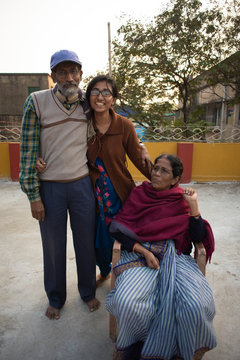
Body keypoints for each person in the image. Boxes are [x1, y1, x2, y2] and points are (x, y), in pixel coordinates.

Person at [106, 154, 217, 360]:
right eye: (155, 168)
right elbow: (119, 230)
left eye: (164, 171)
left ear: (175, 179)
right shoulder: (140, 194)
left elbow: (196, 237)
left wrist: (193, 207)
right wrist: (145, 252)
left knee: (195, 305)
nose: (156, 173)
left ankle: (181, 349)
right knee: (127, 301)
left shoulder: (180, 200)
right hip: (140, 253)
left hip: (175, 256)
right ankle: (136, 347)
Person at [19, 50, 100, 319]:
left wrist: (142, 146)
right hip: (50, 188)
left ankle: (88, 292)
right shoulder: (37, 102)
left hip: (81, 186)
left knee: (85, 243)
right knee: (53, 247)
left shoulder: (87, 104)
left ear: (81, 74)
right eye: (62, 72)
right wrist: (33, 195)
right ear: (52, 75)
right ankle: (56, 297)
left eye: (73, 71)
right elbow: (28, 151)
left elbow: (114, 125)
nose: (69, 77)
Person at [85, 75, 152, 287]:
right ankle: (105, 272)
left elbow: (138, 159)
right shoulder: (82, 124)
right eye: (95, 91)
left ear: (113, 99)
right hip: (92, 195)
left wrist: (164, 182)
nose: (100, 97)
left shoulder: (124, 125)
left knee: (123, 238)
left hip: (120, 194)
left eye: (106, 92)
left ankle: (125, 276)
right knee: (98, 242)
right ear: (88, 96)